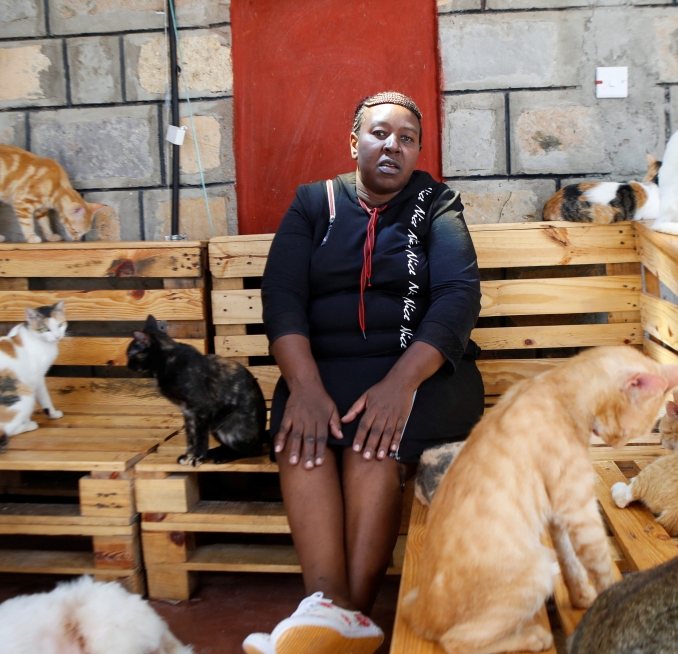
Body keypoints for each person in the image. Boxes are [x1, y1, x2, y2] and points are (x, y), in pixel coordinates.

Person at [243, 92, 485, 654]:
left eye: (406, 138)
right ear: (354, 143)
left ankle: (339, 619)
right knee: (304, 434)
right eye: (380, 133)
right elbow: (281, 297)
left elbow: (456, 297)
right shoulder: (313, 204)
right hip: (322, 371)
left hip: (422, 373)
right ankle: (330, 609)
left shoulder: (436, 204)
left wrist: (399, 385)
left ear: (417, 151)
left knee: (373, 437)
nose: (392, 146)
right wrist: (303, 386)